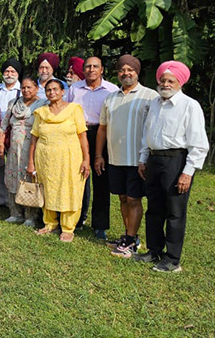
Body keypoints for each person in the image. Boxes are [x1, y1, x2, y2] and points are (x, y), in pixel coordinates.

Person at [135, 61, 209, 272]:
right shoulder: (155, 103)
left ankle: (172, 259)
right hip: (154, 160)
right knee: (154, 208)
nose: (165, 84)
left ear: (180, 83)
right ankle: (154, 250)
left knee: (175, 212)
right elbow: (147, 133)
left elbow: (199, 144)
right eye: (162, 80)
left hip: (176, 161)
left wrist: (187, 173)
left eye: (170, 81)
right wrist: (143, 158)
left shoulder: (189, 105)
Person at [95, 55, 157, 257]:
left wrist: (146, 157)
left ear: (137, 72)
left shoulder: (150, 96)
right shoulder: (111, 97)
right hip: (115, 158)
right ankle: (130, 236)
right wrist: (99, 155)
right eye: (122, 70)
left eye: (130, 69)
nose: (126, 73)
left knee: (134, 199)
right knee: (122, 198)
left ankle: (129, 241)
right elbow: (102, 128)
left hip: (137, 159)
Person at [27, 78, 89, 242]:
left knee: (69, 190)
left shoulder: (74, 109)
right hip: (46, 158)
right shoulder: (41, 112)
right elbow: (34, 138)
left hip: (70, 159)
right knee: (48, 188)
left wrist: (86, 159)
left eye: (55, 89)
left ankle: (68, 228)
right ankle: (50, 223)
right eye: (48, 90)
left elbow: (82, 136)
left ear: (63, 92)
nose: (52, 92)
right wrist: (31, 162)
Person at [65, 56, 118, 238]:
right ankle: (77, 219)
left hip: (102, 134)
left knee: (101, 178)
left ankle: (100, 225)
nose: (91, 70)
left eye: (95, 66)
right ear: (83, 70)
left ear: (102, 70)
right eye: (88, 66)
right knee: (79, 177)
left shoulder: (111, 90)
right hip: (78, 134)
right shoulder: (74, 89)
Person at [0, 76, 47, 227]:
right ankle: (15, 213)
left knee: (29, 178)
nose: (26, 90)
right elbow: (3, 125)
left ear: (36, 88)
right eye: (23, 88)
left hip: (31, 148)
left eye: (29, 87)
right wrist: (0, 143)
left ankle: (31, 215)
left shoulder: (42, 105)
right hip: (13, 149)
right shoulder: (14, 103)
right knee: (12, 178)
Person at [0, 57, 22, 206]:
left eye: (13, 71)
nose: (9, 74)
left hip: (15, 132)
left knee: (14, 165)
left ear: (18, 73)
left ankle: (14, 198)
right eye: (7, 71)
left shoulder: (22, 90)